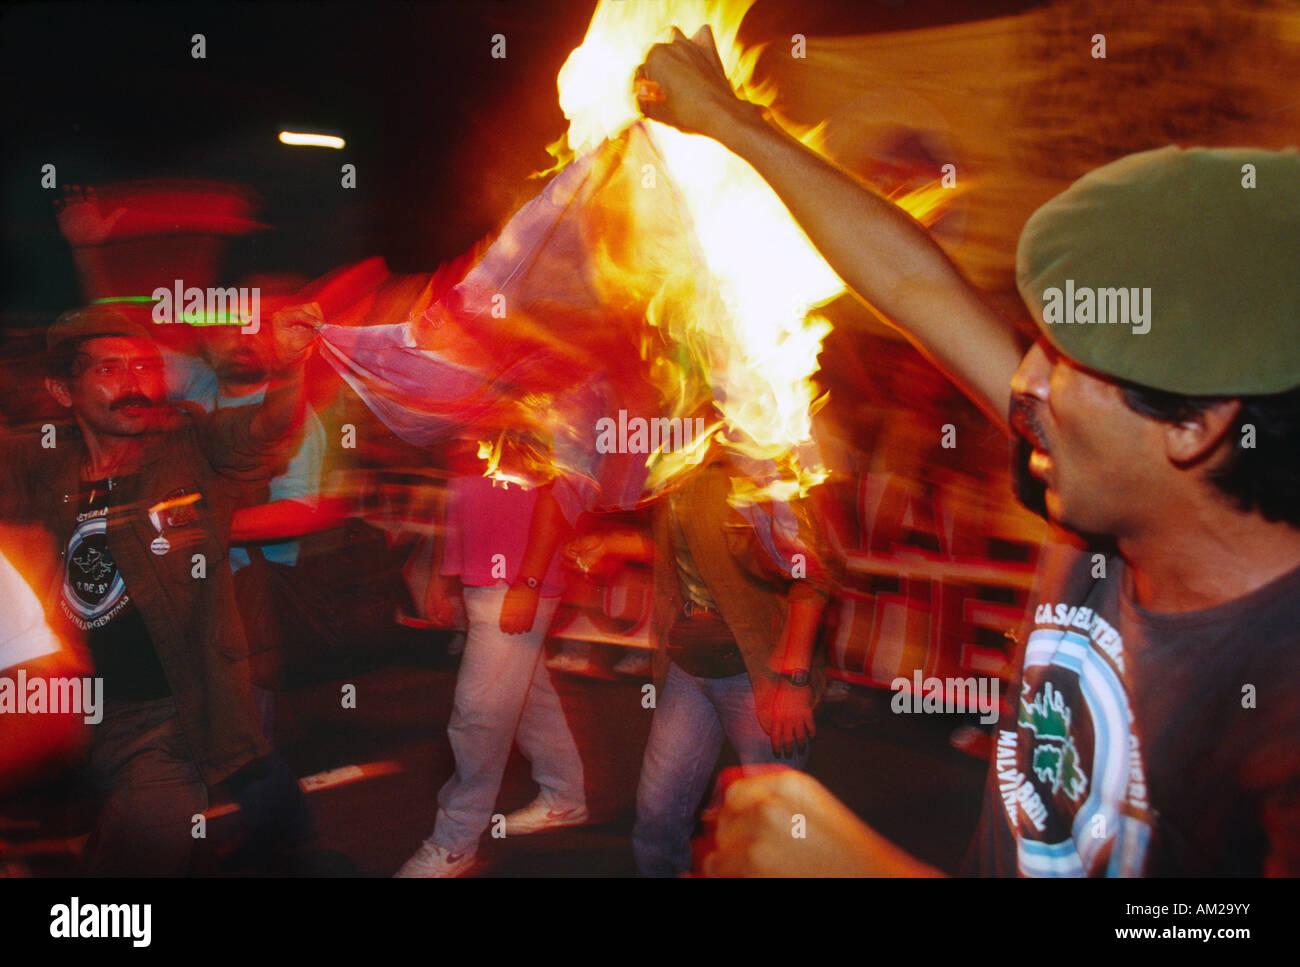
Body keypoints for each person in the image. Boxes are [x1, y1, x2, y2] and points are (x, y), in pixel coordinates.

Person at [634, 27, 1300, 876]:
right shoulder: (1103, 490)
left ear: (1194, 426)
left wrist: (864, 869)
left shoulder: (1280, 699)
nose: (1020, 380)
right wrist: (728, 120)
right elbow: (917, 288)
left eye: (1066, 359)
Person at [0, 301, 319, 874]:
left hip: (168, 715)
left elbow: (258, 432)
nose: (134, 384)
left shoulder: (187, 444)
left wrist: (293, 370)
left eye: (145, 367)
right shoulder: (44, 462)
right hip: (76, 713)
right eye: (108, 370)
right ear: (61, 389)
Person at [568, 443, 835, 876]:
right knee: (658, 814)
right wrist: (615, 542)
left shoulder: (763, 453)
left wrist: (793, 679)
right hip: (689, 664)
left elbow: (810, 576)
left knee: (772, 825)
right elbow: (680, 547)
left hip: (759, 671)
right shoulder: (679, 465)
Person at [396, 444, 588, 878]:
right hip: (487, 581)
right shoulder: (476, 408)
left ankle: (454, 843)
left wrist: (529, 581)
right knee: (527, 701)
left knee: (478, 716)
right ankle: (564, 797)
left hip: (515, 583)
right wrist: (446, 576)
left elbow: (558, 496)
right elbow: (463, 493)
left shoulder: (535, 406)